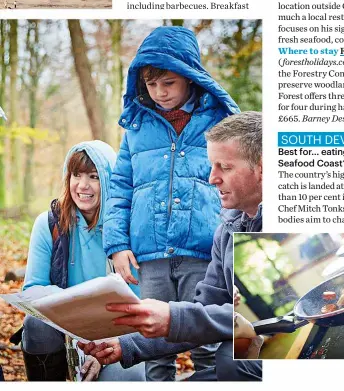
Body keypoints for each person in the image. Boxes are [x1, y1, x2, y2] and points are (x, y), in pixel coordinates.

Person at [81, 112, 263, 382]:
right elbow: (202, 316)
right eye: (211, 166)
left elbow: (262, 318)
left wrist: (172, 317)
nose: (212, 178)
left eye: (224, 167)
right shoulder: (227, 229)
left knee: (227, 356)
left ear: (262, 168)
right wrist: (125, 345)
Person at [103, 25, 240, 382]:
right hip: (150, 255)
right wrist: (117, 246)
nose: (160, 93)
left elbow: (237, 183)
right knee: (153, 335)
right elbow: (120, 187)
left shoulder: (218, 122)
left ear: (190, 78)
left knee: (205, 342)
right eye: (151, 85)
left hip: (202, 251)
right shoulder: (136, 127)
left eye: (169, 83)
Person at [20, 141, 145, 382]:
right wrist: (71, 312)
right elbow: (32, 289)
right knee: (35, 323)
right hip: (65, 326)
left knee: (127, 375)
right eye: (76, 175)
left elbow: (138, 303)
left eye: (94, 177)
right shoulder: (50, 224)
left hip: (117, 333)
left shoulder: (130, 229)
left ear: (109, 180)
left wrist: (100, 350)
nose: (83, 185)